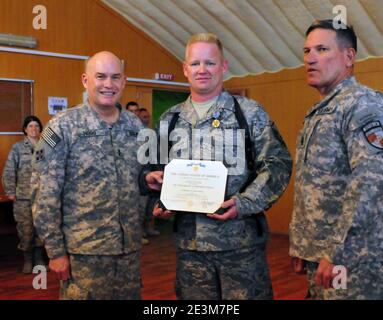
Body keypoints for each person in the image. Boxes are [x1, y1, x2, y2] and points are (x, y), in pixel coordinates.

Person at [141, 33, 292, 300]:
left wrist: (244, 202)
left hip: (241, 248)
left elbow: (277, 164)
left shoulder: (249, 113)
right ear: (185, 69)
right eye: (195, 63)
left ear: (223, 66)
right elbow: (158, 170)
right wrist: (161, 199)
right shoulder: (170, 119)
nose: (202, 70)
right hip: (190, 251)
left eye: (210, 63)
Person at [31, 51, 144, 299]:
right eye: (100, 76)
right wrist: (56, 251)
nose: (108, 84)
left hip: (129, 253)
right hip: (83, 255)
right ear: (85, 80)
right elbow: (43, 193)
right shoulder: (60, 126)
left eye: (115, 77)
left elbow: (140, 179)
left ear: (124, 82)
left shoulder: (135, 126)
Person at [289, 20, 383, 299]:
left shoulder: (362, 105)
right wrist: (302, 246)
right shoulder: (321, 110)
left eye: (321, 49)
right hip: (320, 256)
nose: (310, 58)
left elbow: (370, 183)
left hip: (351, 259)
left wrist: (336, 251)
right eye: (307, 51)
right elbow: (313, 187)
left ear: (349, 56)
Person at [2, 116, 46, 273]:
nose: (33, 129)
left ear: (40, 129)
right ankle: (28, 259)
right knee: (25, 229)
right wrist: (10, 191)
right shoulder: (18, 147)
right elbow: (9, 170)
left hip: (42, 196)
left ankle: (40, 258)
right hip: (23, 197)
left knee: (40, 228)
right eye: (30, 126)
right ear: (25, 129)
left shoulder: (47, 146)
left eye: (36, 126)